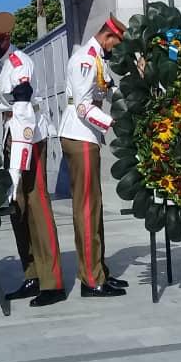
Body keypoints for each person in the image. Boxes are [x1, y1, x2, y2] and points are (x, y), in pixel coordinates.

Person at [0, 11, 65, 307]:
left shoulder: (19, 65)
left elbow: (24, 113)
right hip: (8, 133)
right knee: (19, 209)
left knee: (37, 207)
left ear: (6, 39)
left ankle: (52, 283)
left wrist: (17, 163)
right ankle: (32, 274)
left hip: (27, 136)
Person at [59, 15, 129, 297]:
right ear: (108, 37)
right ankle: (90, 278)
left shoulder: (97, 59)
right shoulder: (85, 60)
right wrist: (113, 124)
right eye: (117, 44)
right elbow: (83, 107)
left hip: (88, 136)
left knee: (94, 207)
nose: (117, 50)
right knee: (87, 208)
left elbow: (110, 89)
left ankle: (99, 269)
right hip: (79, 134)